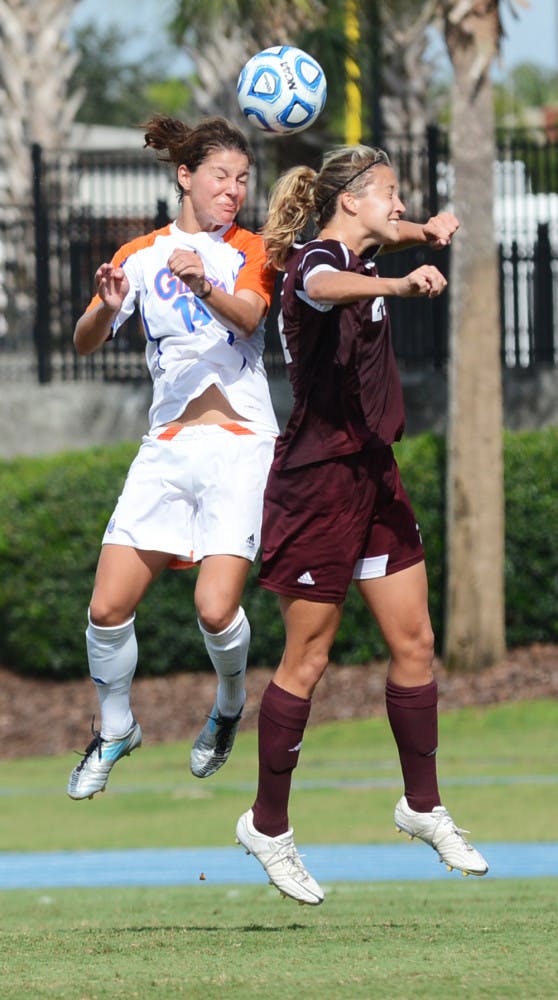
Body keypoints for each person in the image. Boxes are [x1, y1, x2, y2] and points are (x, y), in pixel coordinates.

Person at [235, 145, 489, 904]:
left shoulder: (377, 242)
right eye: (389, 193)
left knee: (415, 643)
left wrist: (430, 231)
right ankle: (268, 825)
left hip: (375, 476)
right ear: (350, 200)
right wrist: (398, 283)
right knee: (307, 660)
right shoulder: (319, 260)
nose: (399, 202)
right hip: (317, 484)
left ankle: (421, 804)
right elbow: (321, 282)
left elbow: (400, 237)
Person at [67, 114, 279, 800]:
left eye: (243, 179)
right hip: (166, 447)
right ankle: (116, 727)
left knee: (215, 609)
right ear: (185, 176)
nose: (234, 190)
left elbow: (248, 318)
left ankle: (226, 705)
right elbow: (84, 342)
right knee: (105, 608)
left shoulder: (254, 246)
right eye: (221, 176)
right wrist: (104, 307)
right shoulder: (140, 253)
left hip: (241, 443)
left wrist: (202, 285)